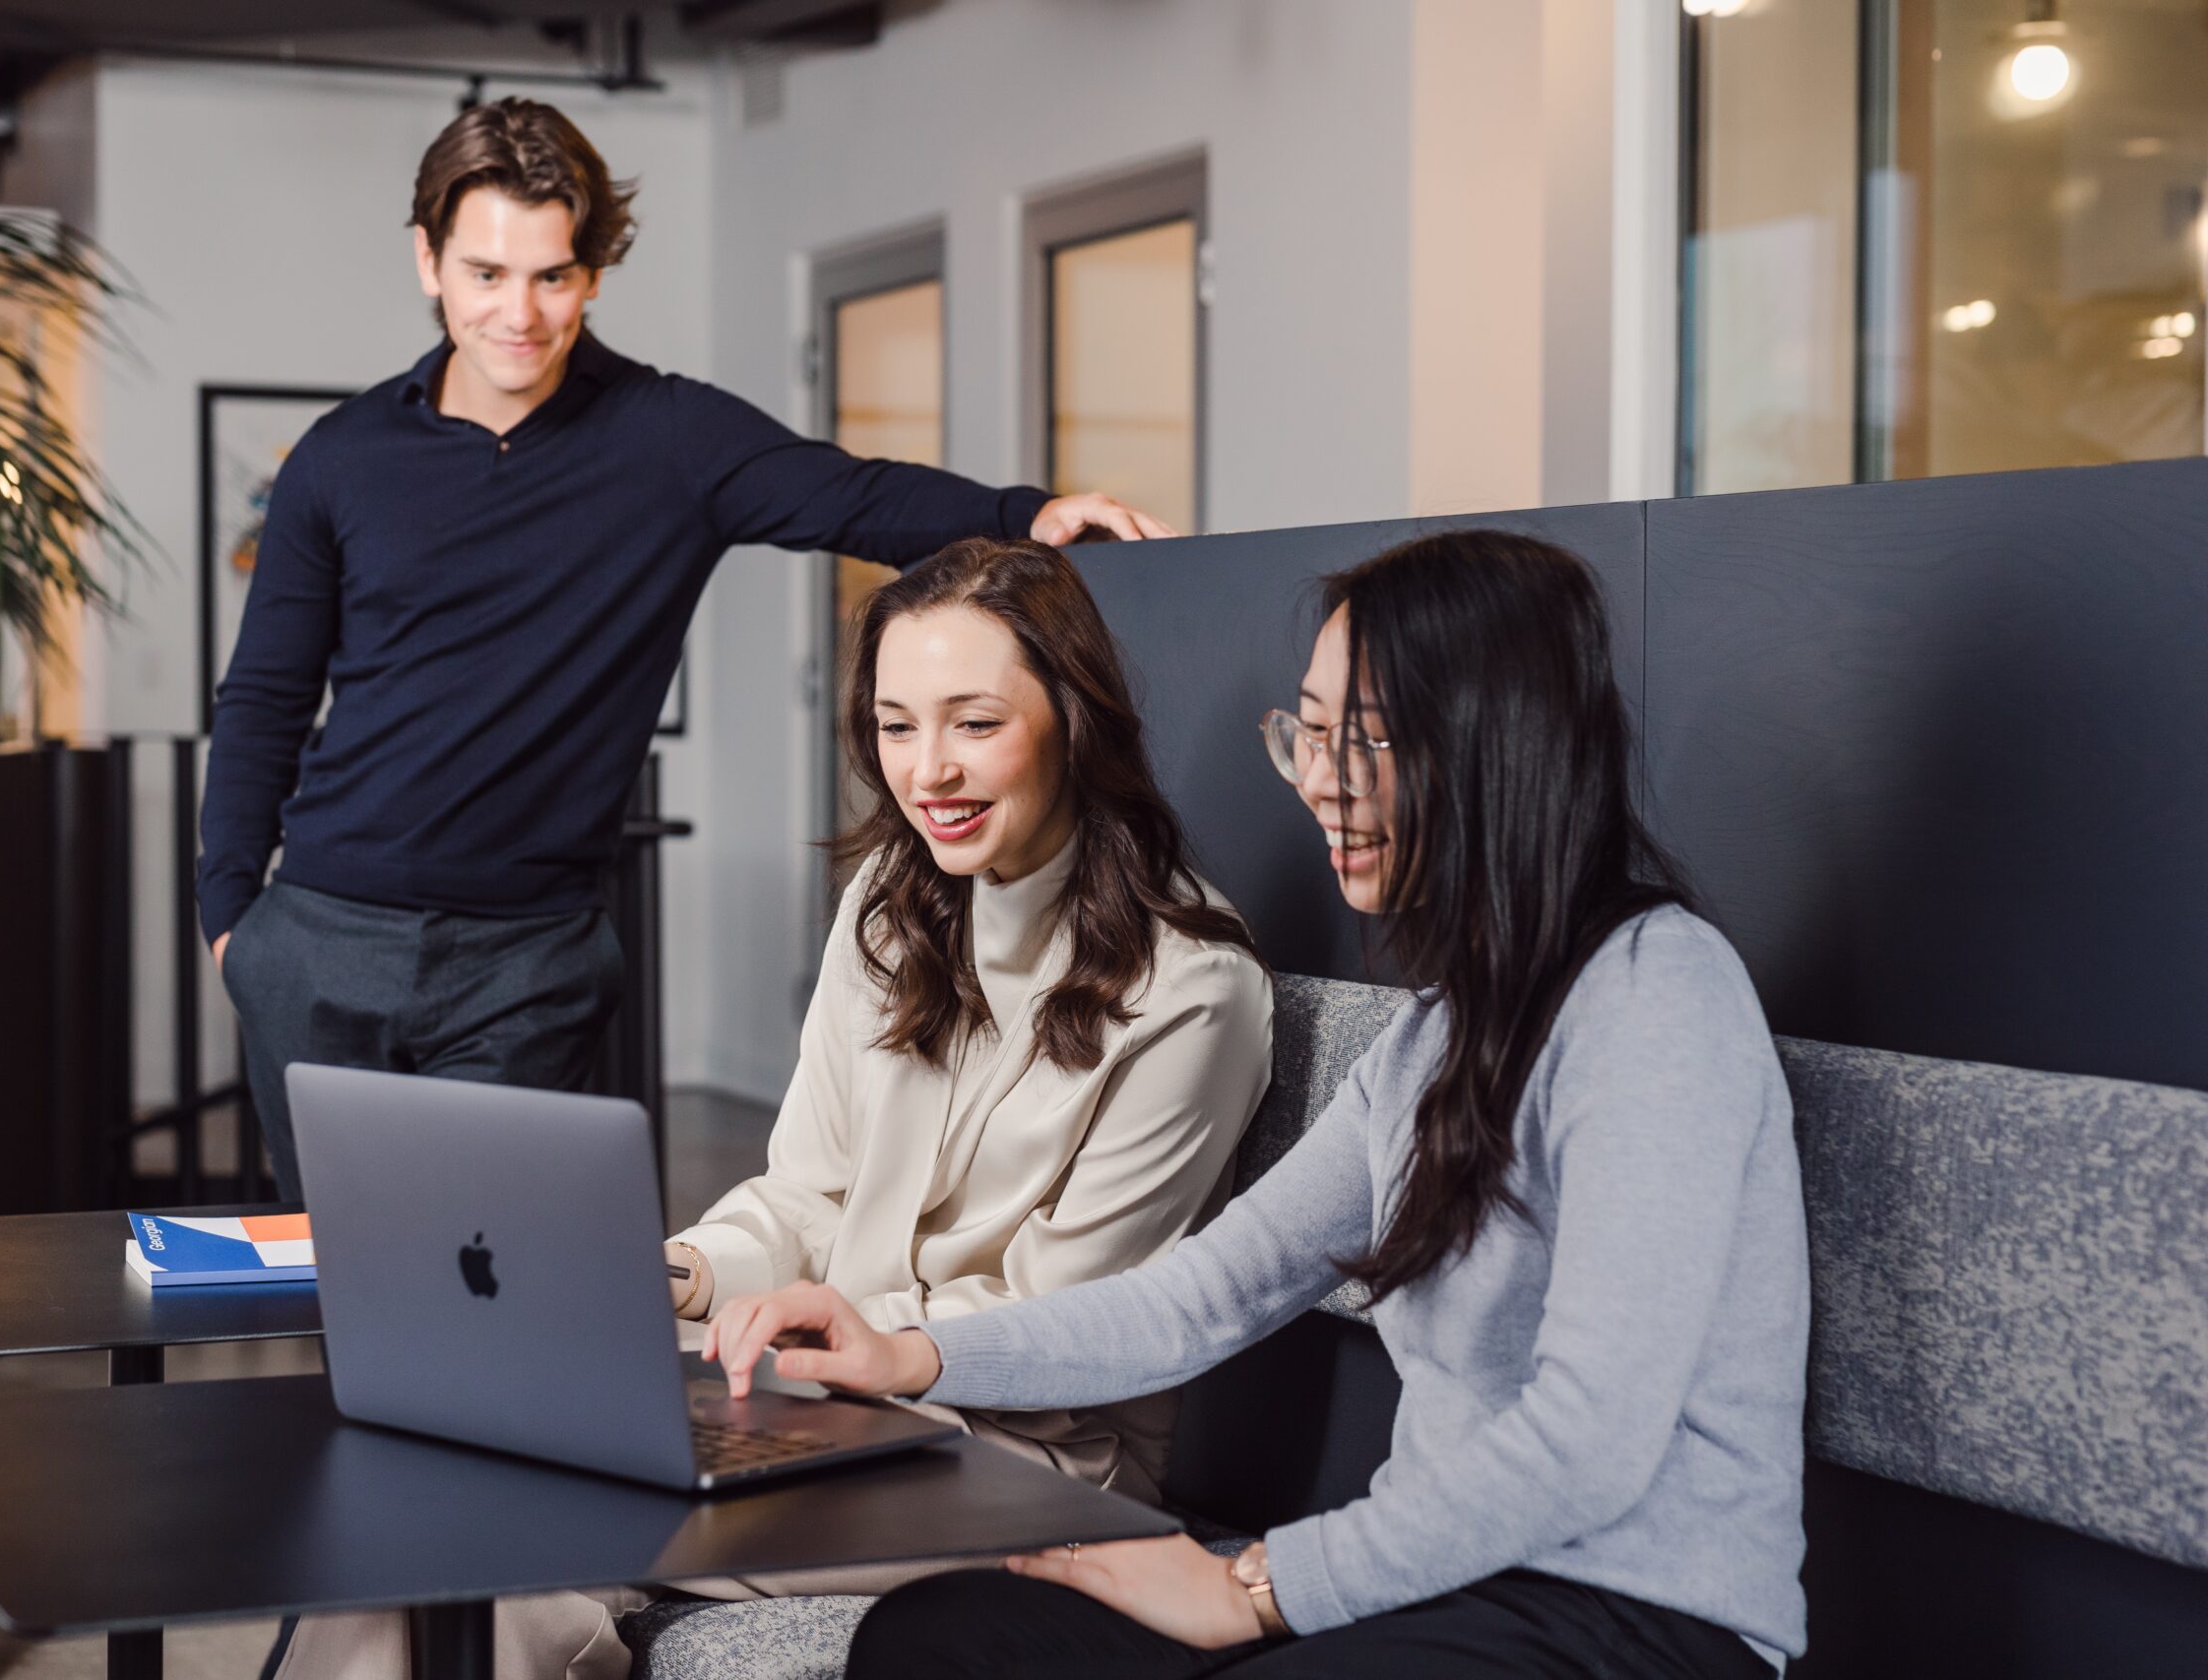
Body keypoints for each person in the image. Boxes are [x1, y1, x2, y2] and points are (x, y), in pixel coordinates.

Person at [710, 530, 1812, 1680]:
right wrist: (909, 1355)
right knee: (942, 1638)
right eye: (1308, 734)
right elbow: (1202, 1297)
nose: (1321, 782)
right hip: (1427, 1588)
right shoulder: (1433, 1037)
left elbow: (1588, 1442)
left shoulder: (1656, 996)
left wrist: (1261, 1588)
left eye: (1366, 739)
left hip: (1629, 1620)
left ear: (1497, 744)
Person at [278, 537, 1274, 1679]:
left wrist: (837, 1336)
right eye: (898, 726)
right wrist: (685, 1273)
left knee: (492, 1520)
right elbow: (807, 1190)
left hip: (1020, 1457)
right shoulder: (892, 909)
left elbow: (1071, 1318)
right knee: (436, 1496)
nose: (927, 771)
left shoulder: (1192, 989)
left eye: (974, 723)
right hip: (820, 1397)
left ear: (1075, 720)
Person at [202, 100, 1171, 1198]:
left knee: (501, 1288)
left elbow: (848, 493)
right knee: (344, 1285)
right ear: (427, 262)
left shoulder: (668, 439)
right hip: (320, 940)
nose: (518, 313)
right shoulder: (340, 458)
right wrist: (233, 920)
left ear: (595, 272)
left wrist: (1027, 511)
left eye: (552, 276)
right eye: (485, 275)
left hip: (528, 960)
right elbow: (264, 698)